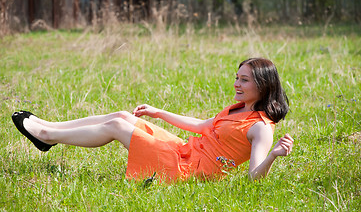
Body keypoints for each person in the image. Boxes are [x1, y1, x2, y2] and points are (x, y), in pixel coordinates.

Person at [11, 58, 294, 182]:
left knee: (116, 127)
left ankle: (46, 137)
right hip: (186, 151)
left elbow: (254, 176)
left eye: (244, 80)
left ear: (263, 85)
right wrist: (158, 112)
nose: (237, 84)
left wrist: (274, 156)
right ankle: (47, 129)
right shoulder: (238, 109)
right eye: (236, 77)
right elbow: (200, 126)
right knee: (123, 116)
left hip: (187, 171)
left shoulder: (260, 127)